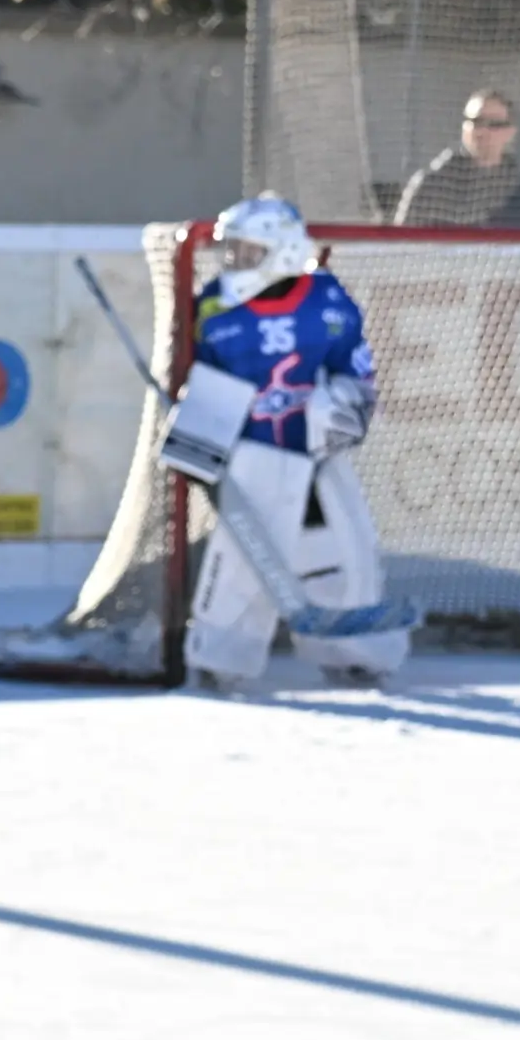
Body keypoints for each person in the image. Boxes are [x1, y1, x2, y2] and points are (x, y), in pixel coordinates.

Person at [170, 195, 408, 692]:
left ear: (280, 250)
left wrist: (348, 405)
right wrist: (196, 430)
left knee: (346, 551)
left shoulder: (327, 300)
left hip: (320, 459)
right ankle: (220, 659)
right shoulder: (214, 304)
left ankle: (358, 656)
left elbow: (356, 367)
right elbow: (204, 377)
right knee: (238, 562)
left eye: (246, 250)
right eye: (230, 249)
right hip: (252, 459)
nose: (233, 260)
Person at [393, 89, 520, 226]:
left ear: (511, 132)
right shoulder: (432, 185)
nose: (482, 132)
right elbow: (403, 243)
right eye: (476, 122)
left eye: (494, 124)